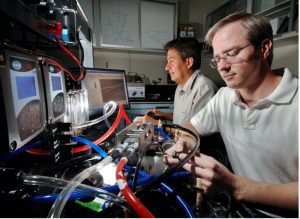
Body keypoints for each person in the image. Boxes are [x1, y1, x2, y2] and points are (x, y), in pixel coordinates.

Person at [164, 12, 298, 217]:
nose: (222, 67)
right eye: (218, 58)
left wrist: (235, 186)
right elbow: (190, 129)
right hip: (238, 207)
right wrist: (186, 143)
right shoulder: (224, 97)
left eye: (232, 53)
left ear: (263, 48)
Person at [136, 37, 218, 126]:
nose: (166, 67)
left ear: (189, 62)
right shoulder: (181, 86)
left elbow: (193, 132)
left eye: (171, 61)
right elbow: (185, 118)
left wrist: (156, 123)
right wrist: (164, 115)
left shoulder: (203, 88)